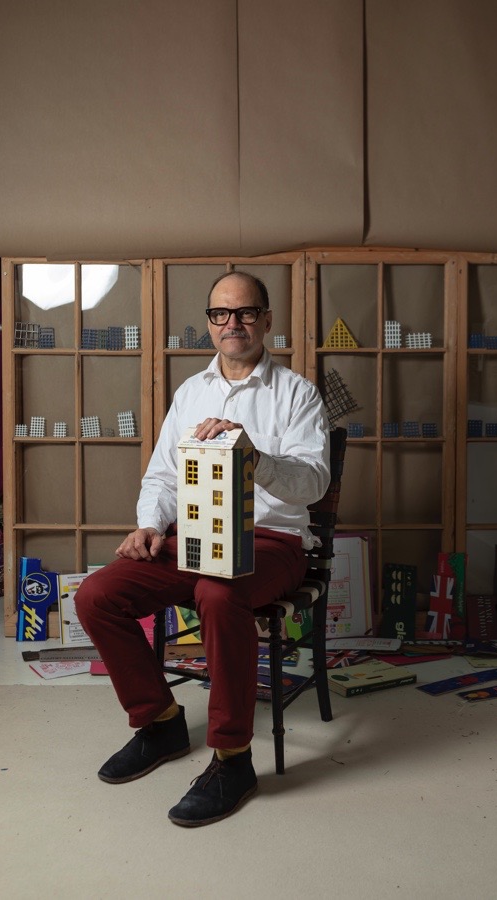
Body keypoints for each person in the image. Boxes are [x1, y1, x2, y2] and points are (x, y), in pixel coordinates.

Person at [75, 271, 330, 827]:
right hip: (195, 537)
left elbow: (313, 484)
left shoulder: (297, 393)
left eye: (245, 312)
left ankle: (233, 759)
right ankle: (160, 721)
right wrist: (149, 526)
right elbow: (164, 476)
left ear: (267, 320)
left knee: (218, 593)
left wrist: (255, 456)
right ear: (210, 323)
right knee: (96, 594)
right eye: (221, 314)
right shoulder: (191, 392)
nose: (232, 323)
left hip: (273, 542)